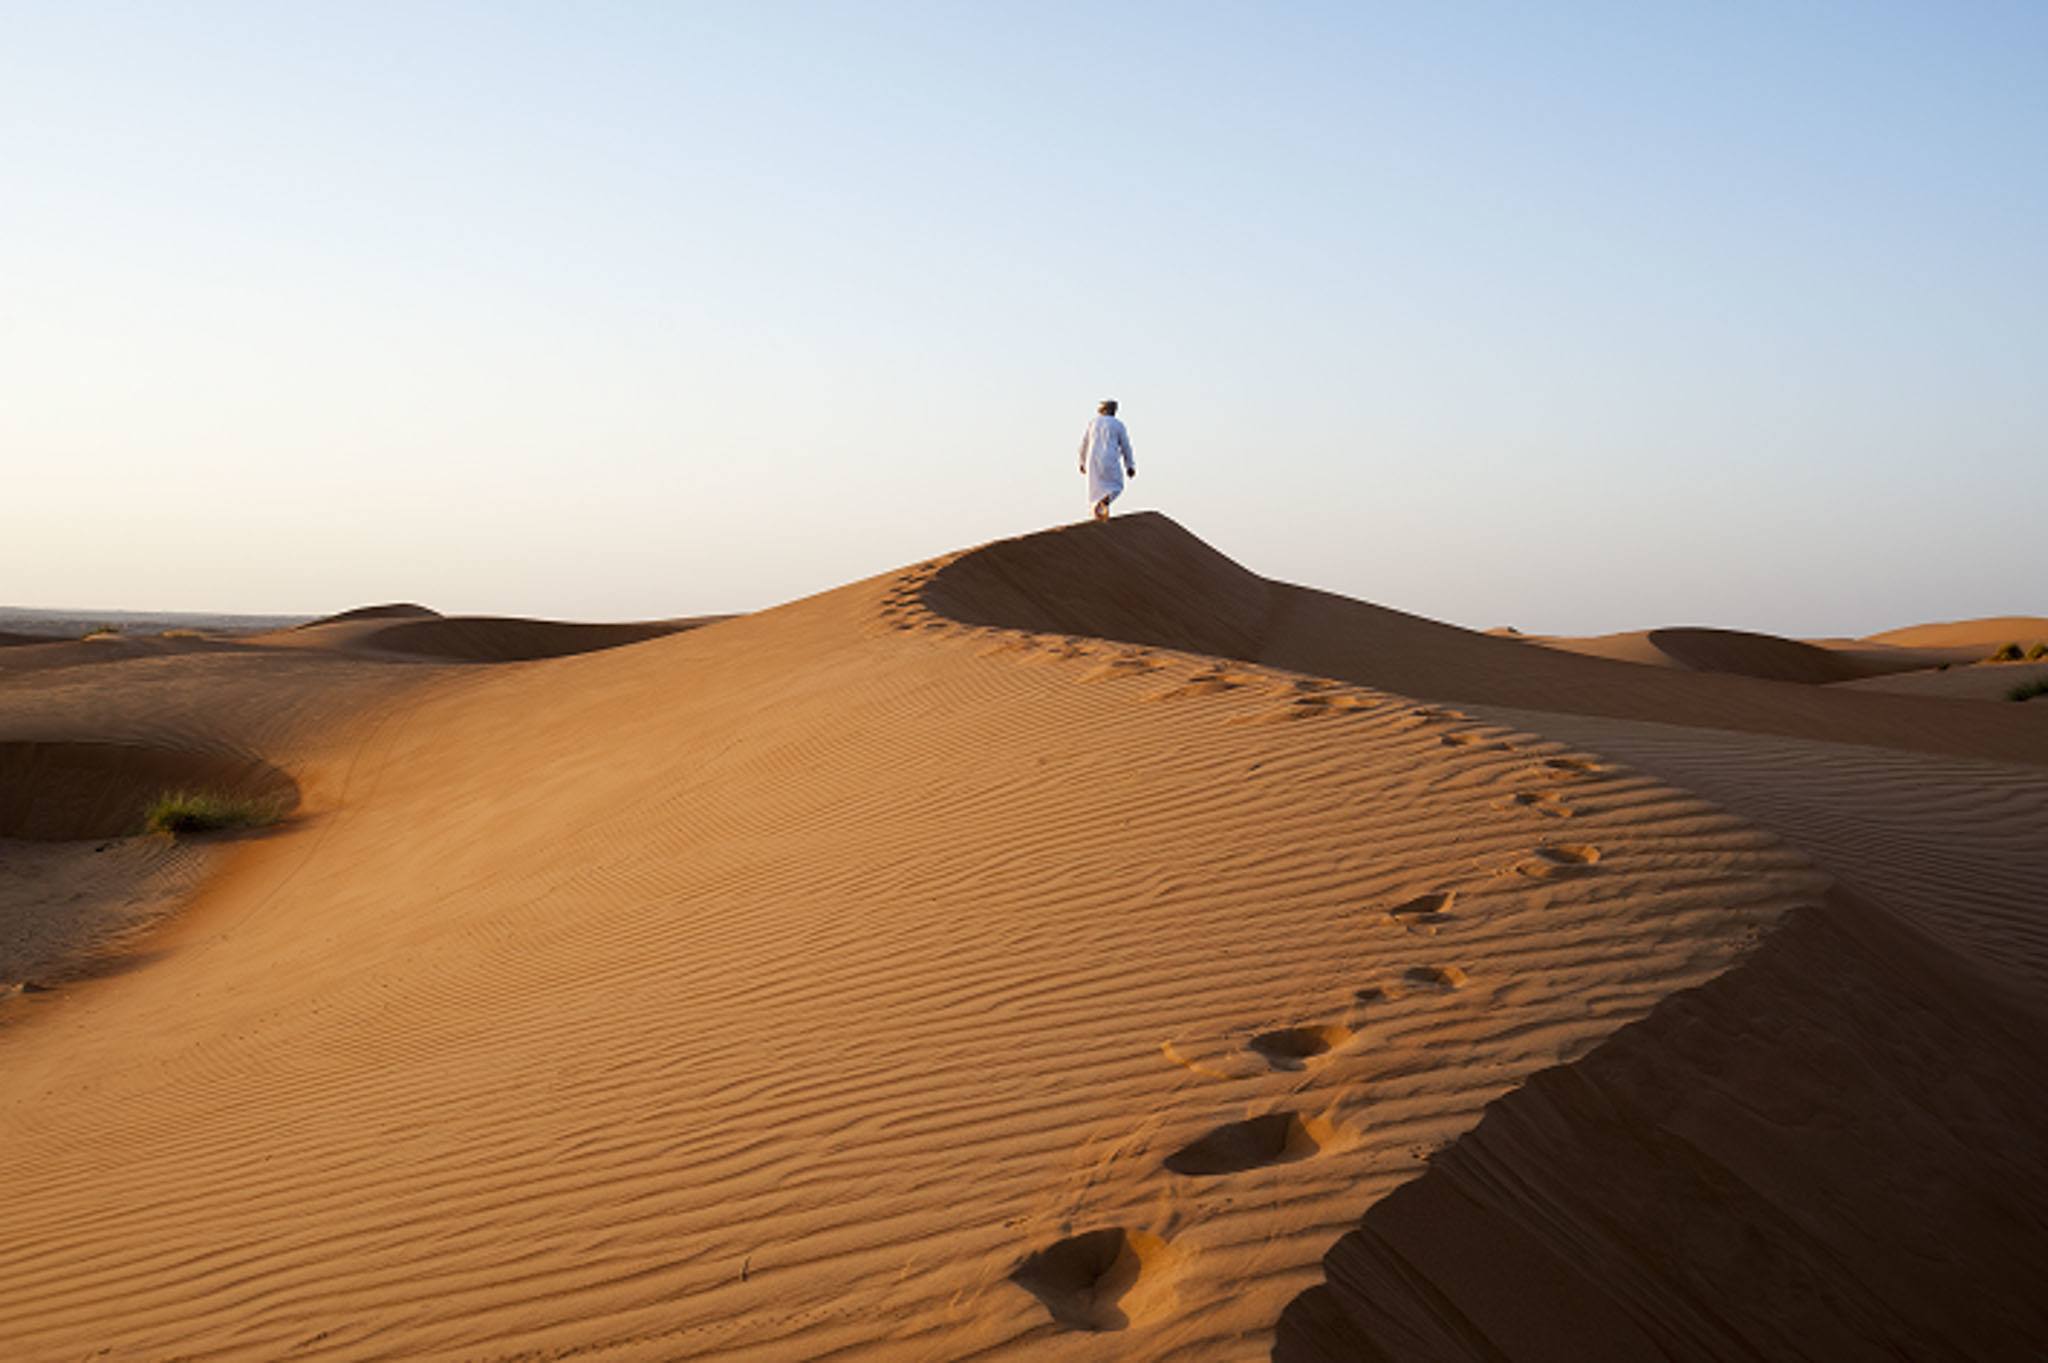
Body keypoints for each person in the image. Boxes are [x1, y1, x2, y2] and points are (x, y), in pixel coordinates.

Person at [1078, 399, 1136, 520]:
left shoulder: (1093, 423)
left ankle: (1098, 513)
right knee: (1117, 485)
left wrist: (1082, 462)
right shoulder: (1118, 425)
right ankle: (1106, 502)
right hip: (1110, 458)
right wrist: (1129, 466)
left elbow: (1084, 444)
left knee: (1095, 490)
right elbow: (1126, 447)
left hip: (1092, 460)